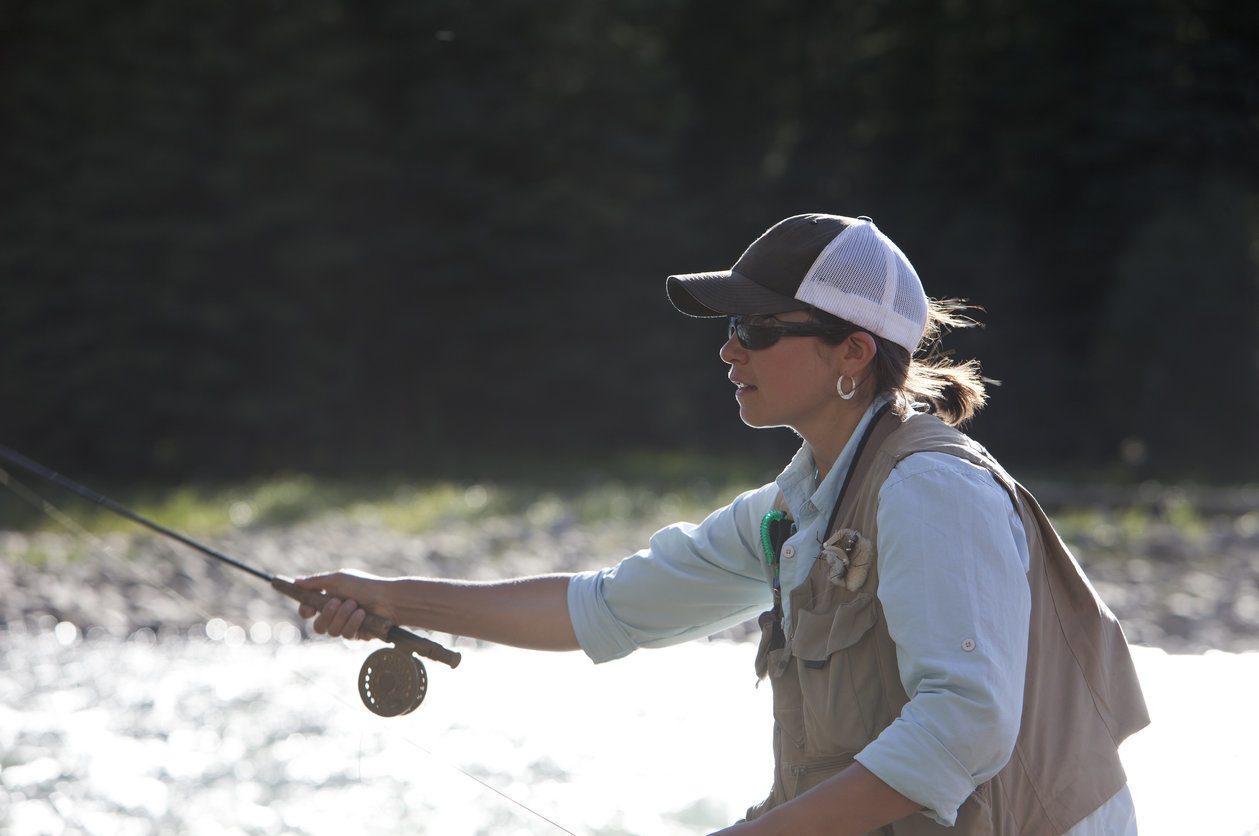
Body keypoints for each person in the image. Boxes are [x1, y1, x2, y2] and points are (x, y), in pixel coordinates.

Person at [295, 214, 1149, 835]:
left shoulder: (932, 490)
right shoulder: (799, 504)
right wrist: (387, 596)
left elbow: (965, 724)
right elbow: (605, 608)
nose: (727, 351)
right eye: (728, 329)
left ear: (853, 353)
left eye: (755, 329)